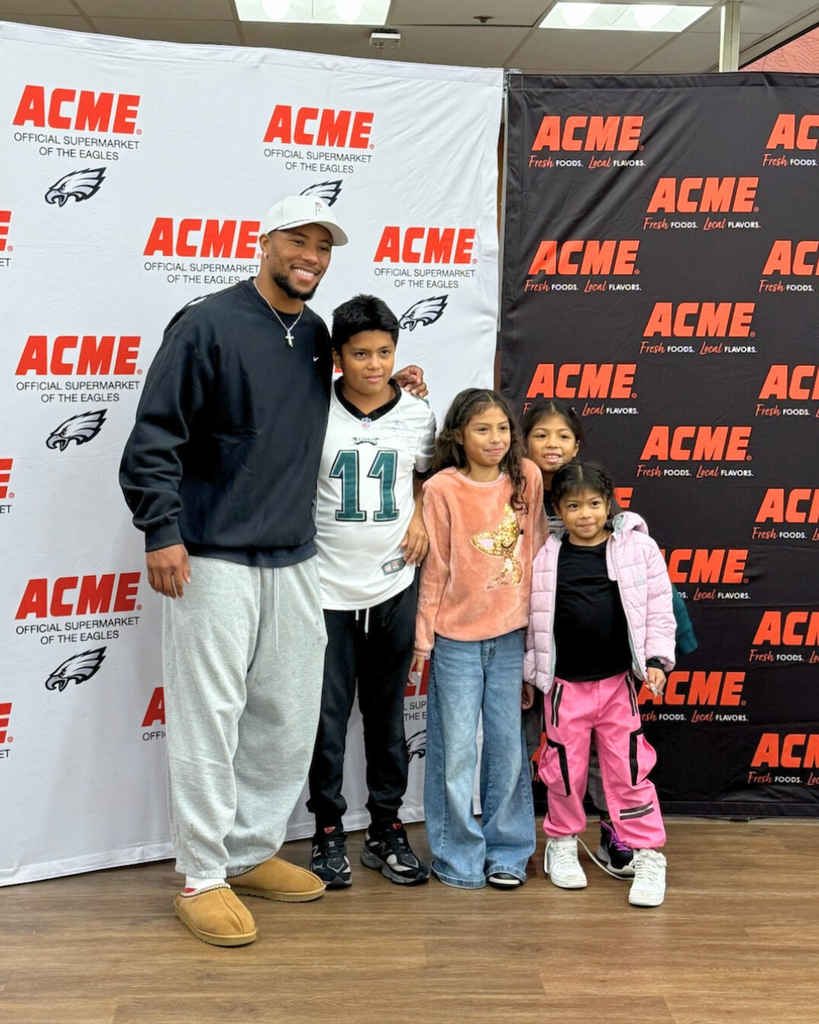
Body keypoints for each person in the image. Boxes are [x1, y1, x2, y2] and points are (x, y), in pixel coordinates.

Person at [120, 196, 426, 947]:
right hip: (211, 554)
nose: (311, 256)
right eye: (298, 240)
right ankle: (202, 875)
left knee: (287, 716)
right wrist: (161, 530)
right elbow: (155, 435)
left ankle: (249, 850)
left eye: (323, 246)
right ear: (265, 242)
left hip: (294, 556)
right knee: (209, 717)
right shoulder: (207, 323)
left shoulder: (318, 335)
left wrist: (403, 390)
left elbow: (354, 404)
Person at [307, 294, 436, 890]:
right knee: (326, 720)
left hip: (393, 584)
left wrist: (420, 516)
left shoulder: (417, 413)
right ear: (338, 356)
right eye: (361, 354)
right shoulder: (312, 407)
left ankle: (386, 827)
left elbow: (428, 478)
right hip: (324, 587)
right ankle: (328, 830)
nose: (375, 364)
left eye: (385, 352)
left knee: (387, 717)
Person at [411, 389, 547, 890]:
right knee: (455, 751)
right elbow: (435, 569)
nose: (495, 439)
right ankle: (456, 856)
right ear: (458, 436)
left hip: (511, 637)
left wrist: (537, 642)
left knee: (508, 748)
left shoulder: (527, 477)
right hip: (456, 641)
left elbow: (537, 555)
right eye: (482, 429)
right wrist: (423, 641)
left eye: (503, 428)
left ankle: (508, 851)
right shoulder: (442, 488)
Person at [524, 462, 675, 907]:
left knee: (629, 770)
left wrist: (656, 660)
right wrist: (532, 672)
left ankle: (647, 854)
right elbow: (532, 620)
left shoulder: (637, 548)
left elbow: (658, 607)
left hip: (616, 686)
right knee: (563, 771)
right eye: (573, 506)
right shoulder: (546, 555)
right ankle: (562, 843)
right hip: (564, 687)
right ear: (557, 510)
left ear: (608, 504)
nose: (585, 514)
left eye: (593, 504)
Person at [522, 399, 633, 878]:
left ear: (577, 445)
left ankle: (613, 829)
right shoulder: (513, 492)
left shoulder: (602, 506)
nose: (552, 444)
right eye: (541, 435)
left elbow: (637, 579)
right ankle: (536, 836)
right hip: (531, 642)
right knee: (540, 747)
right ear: (523, 442)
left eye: (563, 436)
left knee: (607, 750)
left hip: (597, 661)